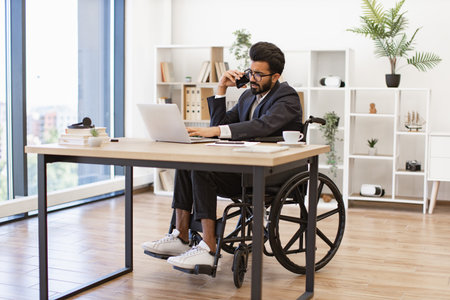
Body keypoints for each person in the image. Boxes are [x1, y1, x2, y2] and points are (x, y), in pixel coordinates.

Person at [142, 41, 302, 270]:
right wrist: (221, 89)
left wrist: (216, 131)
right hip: (243, 168)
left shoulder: (287, 98)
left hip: (270, 174)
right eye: (250, 71)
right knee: (188, 163)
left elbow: (261, 126)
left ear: (275, 76)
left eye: (258, 74)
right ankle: (181, 236)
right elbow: (220, 126)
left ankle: (208, 247)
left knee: (202, 169)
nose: (252, 78)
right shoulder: (248, 97)